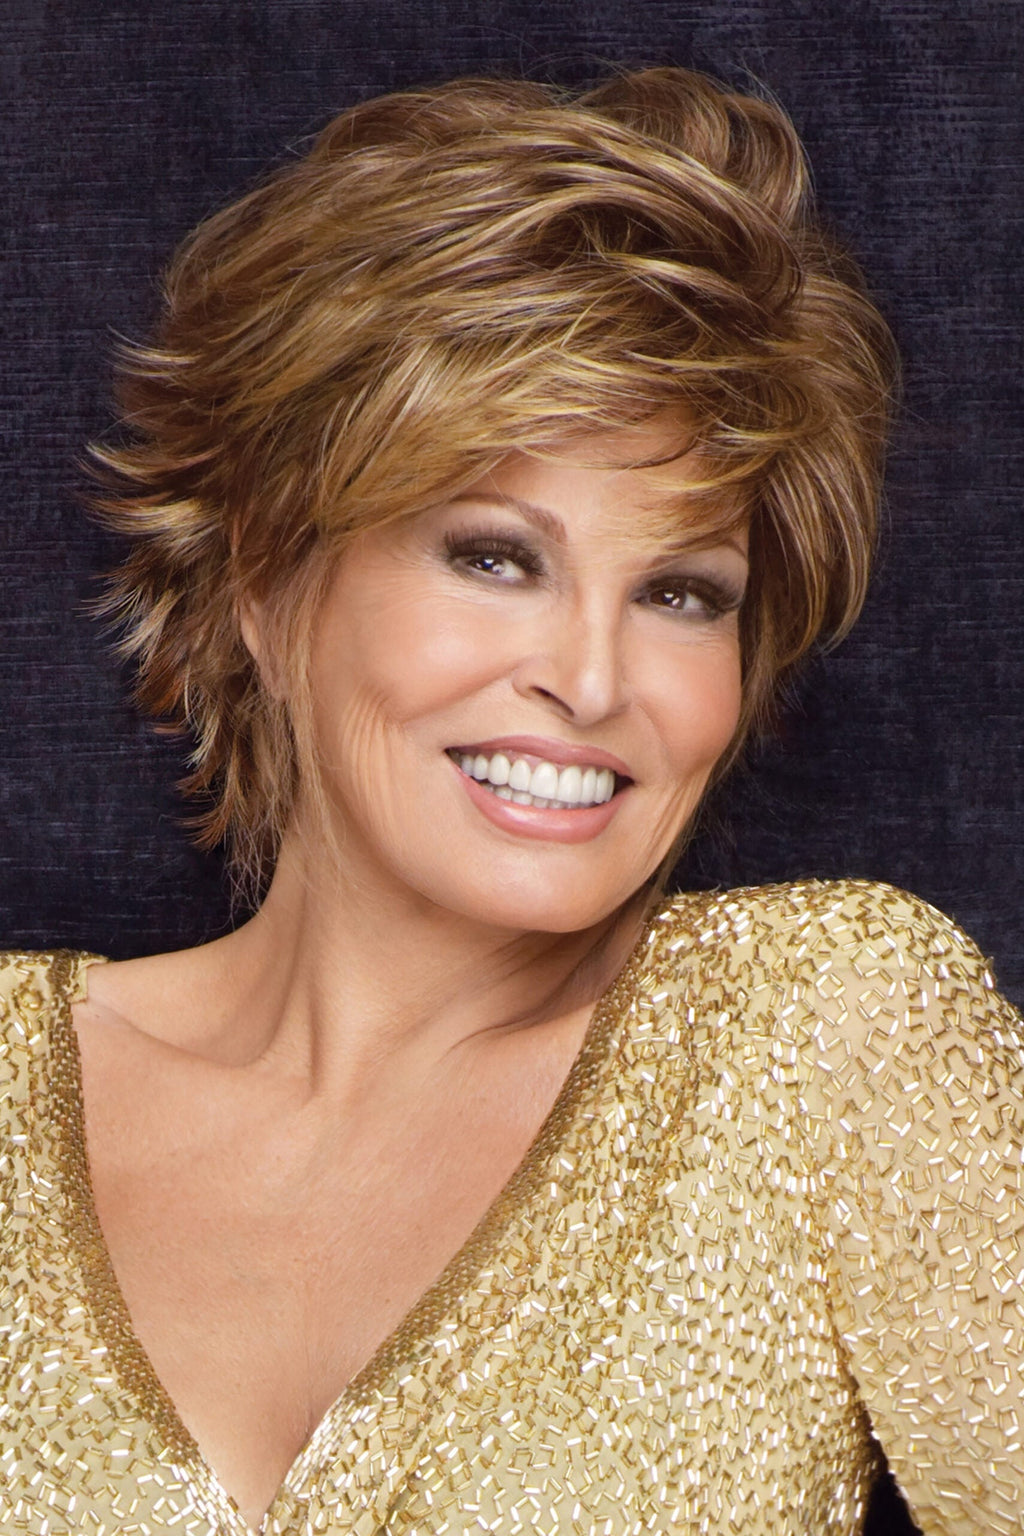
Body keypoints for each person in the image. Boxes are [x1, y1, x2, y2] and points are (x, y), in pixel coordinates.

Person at [0, 66, 1020, 1536]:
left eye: (681, 592)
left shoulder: (821, 1034)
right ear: (267, 587)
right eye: (495, 557)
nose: (593, 681)